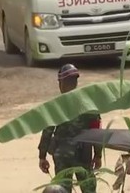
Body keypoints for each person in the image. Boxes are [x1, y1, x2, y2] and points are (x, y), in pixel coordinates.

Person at [38, 65, 102, 193]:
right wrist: (98, 155)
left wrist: (42, 156)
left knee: (61, 190)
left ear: (61, 83)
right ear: (76, 82)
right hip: (83, 154)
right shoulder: (88, 104)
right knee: (88, 188)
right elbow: (96, 132)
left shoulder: (55, 105)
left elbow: (47, 132)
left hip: (62, 155)